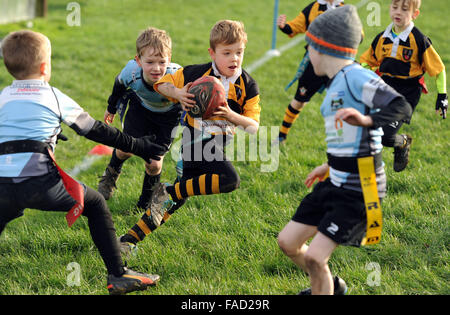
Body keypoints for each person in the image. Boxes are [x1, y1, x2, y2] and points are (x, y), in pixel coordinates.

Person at [0, 30, 166, 295]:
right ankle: (118, 275)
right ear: (45, 67)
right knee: (96, 203)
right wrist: (139, 146)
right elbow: (95, 130)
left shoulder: (3, 98)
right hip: (40, 183)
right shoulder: (52, 96)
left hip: (3, 185)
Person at [277, 6, 413, 295]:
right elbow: (348, 139)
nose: (307, 54)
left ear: (325, 48)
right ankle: (330, 286)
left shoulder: (355, 77)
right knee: (288, 242)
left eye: (309, 47)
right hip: (336, 181)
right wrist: (328, 167)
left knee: (315, 256)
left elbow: (401, 105)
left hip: (361, 187)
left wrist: (367, 120)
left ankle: (322, 288)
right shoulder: (336, 82)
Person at [119, 19, 261, 246]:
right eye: (227, 53)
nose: (234, 58)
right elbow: (161, 84)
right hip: (195, 141)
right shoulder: (197, 73)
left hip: (217, 145)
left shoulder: (248, 85)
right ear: (212, 53)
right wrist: (178, 93)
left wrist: (230, 115)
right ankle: (169, 191)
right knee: (229, 181)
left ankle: (128, 241)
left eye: (239, 52)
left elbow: (253, 126)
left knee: (174, 202)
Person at [98, 27, 182, 209]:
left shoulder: (177, 76)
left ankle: (144, 204)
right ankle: (110, 176)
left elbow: (191, 98)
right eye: (150, 62)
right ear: (138, 60)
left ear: (169, 59)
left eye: (162, 62)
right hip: (140, 110)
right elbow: (118, 84)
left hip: (167, 119)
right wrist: (111, 108)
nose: (157, 68)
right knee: (124, 149)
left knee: (154, 164)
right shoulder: (132, 72)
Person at [360, 0, 447, 172]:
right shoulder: (382, 38)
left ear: (415, 14)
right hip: (384, 88)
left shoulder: (419, 40)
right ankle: (367, 175)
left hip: (407, 93)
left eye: (405, 9)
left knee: (385, 137)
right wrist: (361, 72)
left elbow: (439, 69)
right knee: (366, 129)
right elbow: (366, 62)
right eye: (394, 7)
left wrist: (442, 96)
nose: (398, 12)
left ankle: (403, 142)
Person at [272, 0, 344, 145]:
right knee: (299, 100)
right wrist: (284, 26)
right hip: (314, 63)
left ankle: (340, 141)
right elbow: (295, 26)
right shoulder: (313, 8)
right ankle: (282, 135)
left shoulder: (344, 10)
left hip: (335, 64)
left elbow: (358, 35)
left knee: (339, 102)